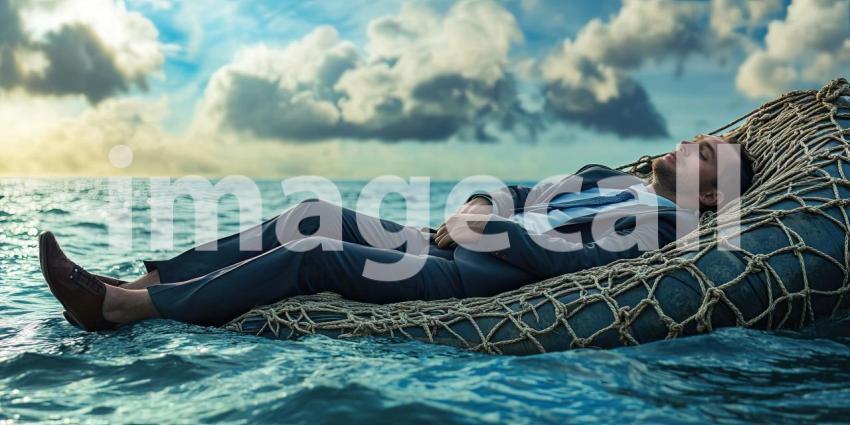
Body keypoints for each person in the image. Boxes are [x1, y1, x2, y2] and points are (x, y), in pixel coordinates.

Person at [39, 134, 755, 332]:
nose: (692, 142)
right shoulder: (611, 175)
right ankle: (130, 283)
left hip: (472, 278)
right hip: (444, 237)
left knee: (315, 253)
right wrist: (476, 206)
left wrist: (479, 232)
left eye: (705, 153)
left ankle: (123, 311)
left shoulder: (669, 226)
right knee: (310, 212)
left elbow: (564, 257)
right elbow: (514, 188)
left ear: (714, 190)